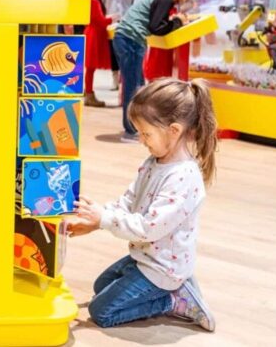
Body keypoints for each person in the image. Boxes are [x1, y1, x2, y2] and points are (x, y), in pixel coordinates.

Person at [67, 78, 217, 332]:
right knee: (100, 286)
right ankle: (175, 286)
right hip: (146, 256)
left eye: (146, 133)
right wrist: (96, 222)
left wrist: (104, 218)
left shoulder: (183, 177)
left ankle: (173, 300)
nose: (141, 140)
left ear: (174, 130)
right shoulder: (153, 162)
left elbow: (149, 227)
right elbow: (129, 201)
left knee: (101, 311)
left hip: (163, 267)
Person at [112, 0, 201, 143]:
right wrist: (176, 21)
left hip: (128, 39)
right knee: (133, 87)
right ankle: (130, 130)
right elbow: (156, 27)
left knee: (137, 85)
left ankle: (134, 127)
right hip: (130, 40)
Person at [105, 0, 141, 91]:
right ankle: (115, 79)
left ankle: (123, 81)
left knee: (125, 53)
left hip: (127, 24)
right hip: (109, 23)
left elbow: (137, 4)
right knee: (112, 52)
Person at [83, 0, 113, 108]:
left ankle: (88, 92)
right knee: (90, 67)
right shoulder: (94, 0)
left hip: (94, 33)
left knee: (90, 67)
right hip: (94, 35)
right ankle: (89, 94)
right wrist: (112, 19)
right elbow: (100, 21)